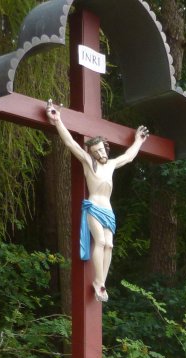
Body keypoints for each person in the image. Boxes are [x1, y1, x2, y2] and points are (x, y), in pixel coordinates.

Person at [44, 100, 149, 302]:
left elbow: (128, 156)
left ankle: (102, 281)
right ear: (92, 153)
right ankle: (98, 282)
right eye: (97, 151)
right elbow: (71, 143)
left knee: (109, 245)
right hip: (93, 208)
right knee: (100, 241)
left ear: (106, 148)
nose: (101, 153)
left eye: (102, 149)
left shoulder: (111, 164)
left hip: (108, 211)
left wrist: (139, 141)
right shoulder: (89, 163)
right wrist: (58, 121)